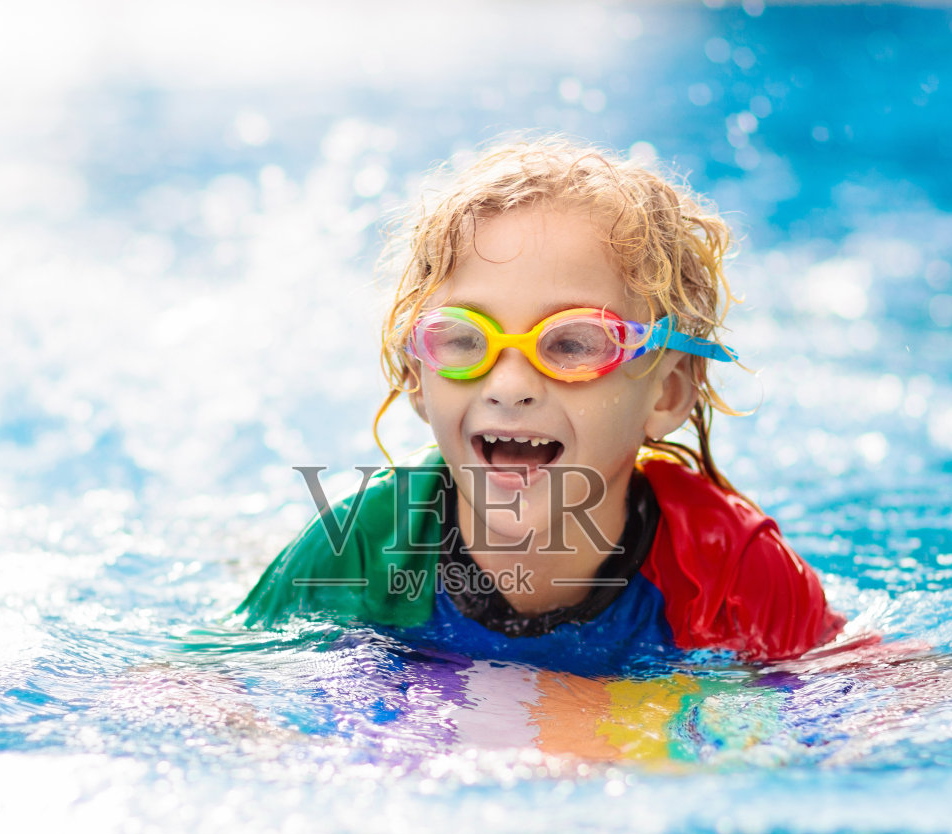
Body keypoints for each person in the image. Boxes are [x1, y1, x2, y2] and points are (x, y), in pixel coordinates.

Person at [239, 138, 847, 672]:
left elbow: (859, 698)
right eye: (464, 340)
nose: (508, 385)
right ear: (418, 378)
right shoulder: (356, 550)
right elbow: (227, 693)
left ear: (666, 393)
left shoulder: (730, 571)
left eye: (573, 343)